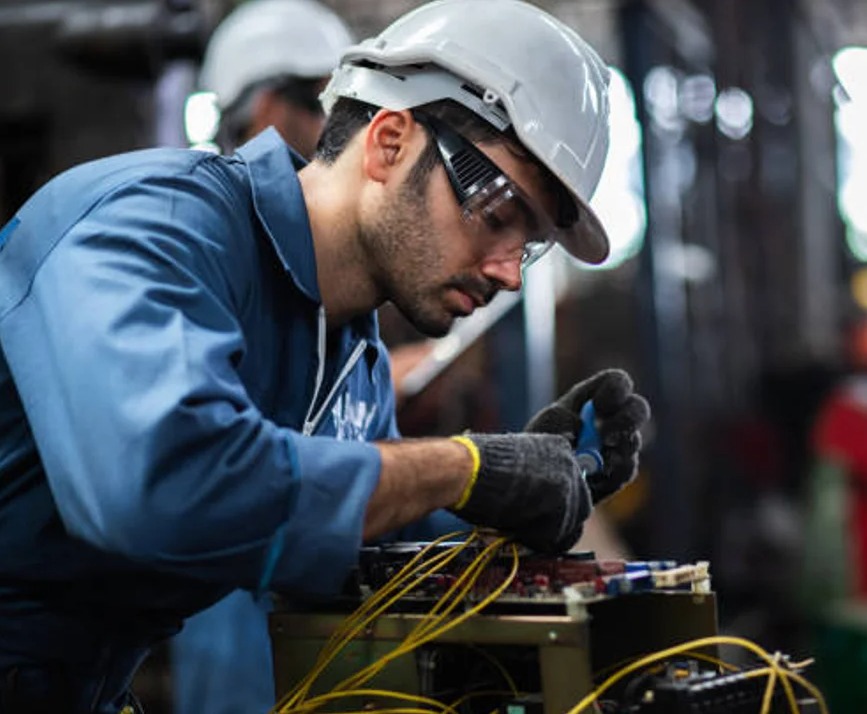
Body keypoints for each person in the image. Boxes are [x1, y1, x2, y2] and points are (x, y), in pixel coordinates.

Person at [0, 1, 651, 711]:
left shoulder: (348, 354)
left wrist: (523, 489)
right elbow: (165, 486)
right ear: (389, 142)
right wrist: (462, 466)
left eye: (527, 244)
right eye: (497, 214)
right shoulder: (156, 229)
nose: (508, 273)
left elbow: (359, 535)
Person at [170, 2, 356, 711]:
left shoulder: (304, 259)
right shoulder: (201, 243)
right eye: (330, 113)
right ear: (273, 109)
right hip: (231, 584)